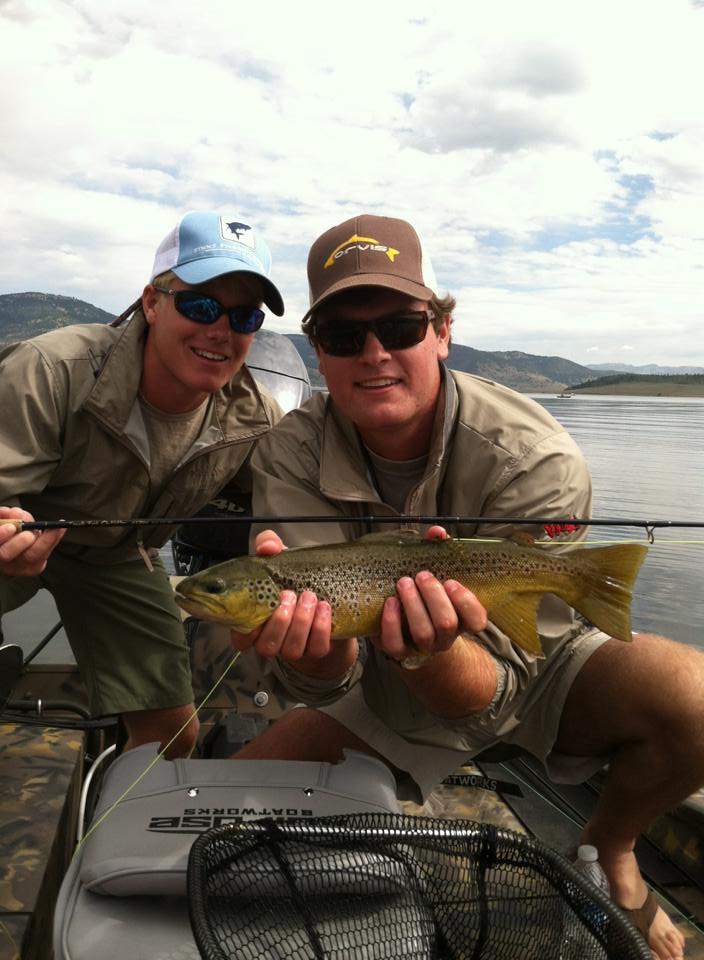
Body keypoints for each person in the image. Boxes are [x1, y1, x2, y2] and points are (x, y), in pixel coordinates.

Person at [230, 214, 702, 960]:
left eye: (400, 326)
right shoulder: (289, 453)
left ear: (442, 330)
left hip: (534, 663)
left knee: (696, 699)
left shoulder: (535, 457)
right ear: (318, 352)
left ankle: (612, 845)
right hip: (376, 685)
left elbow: (498, 691)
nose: (375, 353)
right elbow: (321, 679)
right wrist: (321, 656)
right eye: (345, 336)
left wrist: (431, 650)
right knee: (225, 815)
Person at [0, 210, 285, 759]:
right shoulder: (50, 370)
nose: (220, 330)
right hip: (19, 535)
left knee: (174, 733)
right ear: (152, 302)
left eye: (244, 316)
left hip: (117, 556)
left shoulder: (255, 420)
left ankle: (129, 809)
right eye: (200, 305)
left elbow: (309, 490)